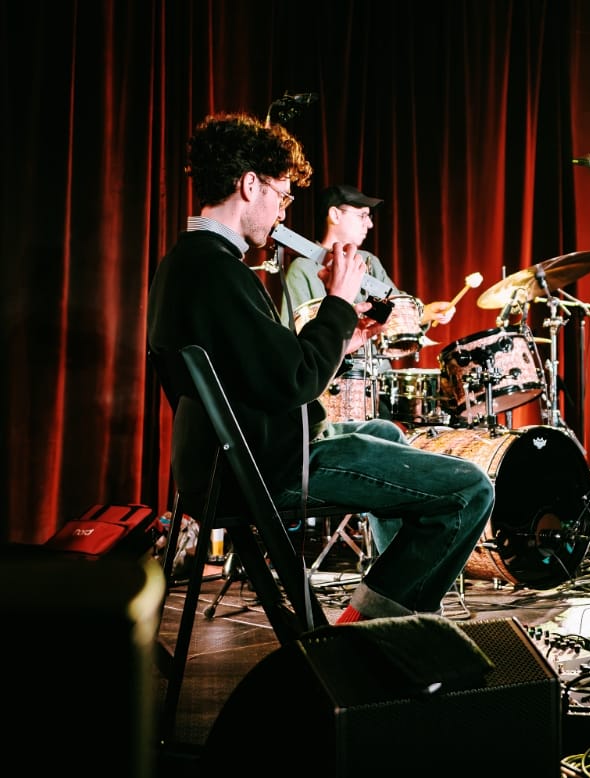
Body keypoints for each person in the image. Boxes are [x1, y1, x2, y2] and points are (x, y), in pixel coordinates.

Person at [148, 112, 494, 621]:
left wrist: (342, 338)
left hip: (237, 457)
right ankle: (379, 630)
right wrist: (336, 299)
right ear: (249, 185)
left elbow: (270, 367)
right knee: (470, 488)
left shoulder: (192, 263)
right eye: (282, 196)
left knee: (386, 432)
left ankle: (391, 613)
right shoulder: (216, 271)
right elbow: (295, 381)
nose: (282, 214)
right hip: (268, 467)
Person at [280, 183, 456, 349]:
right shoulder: (302, 269)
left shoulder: (369, 262)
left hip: (378, 374)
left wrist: (425, 312)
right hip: (334, 375)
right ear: (335, 215)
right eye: (362, 215)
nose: (370, 224)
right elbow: (295, 339)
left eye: (369, 217)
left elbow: (397, 311)